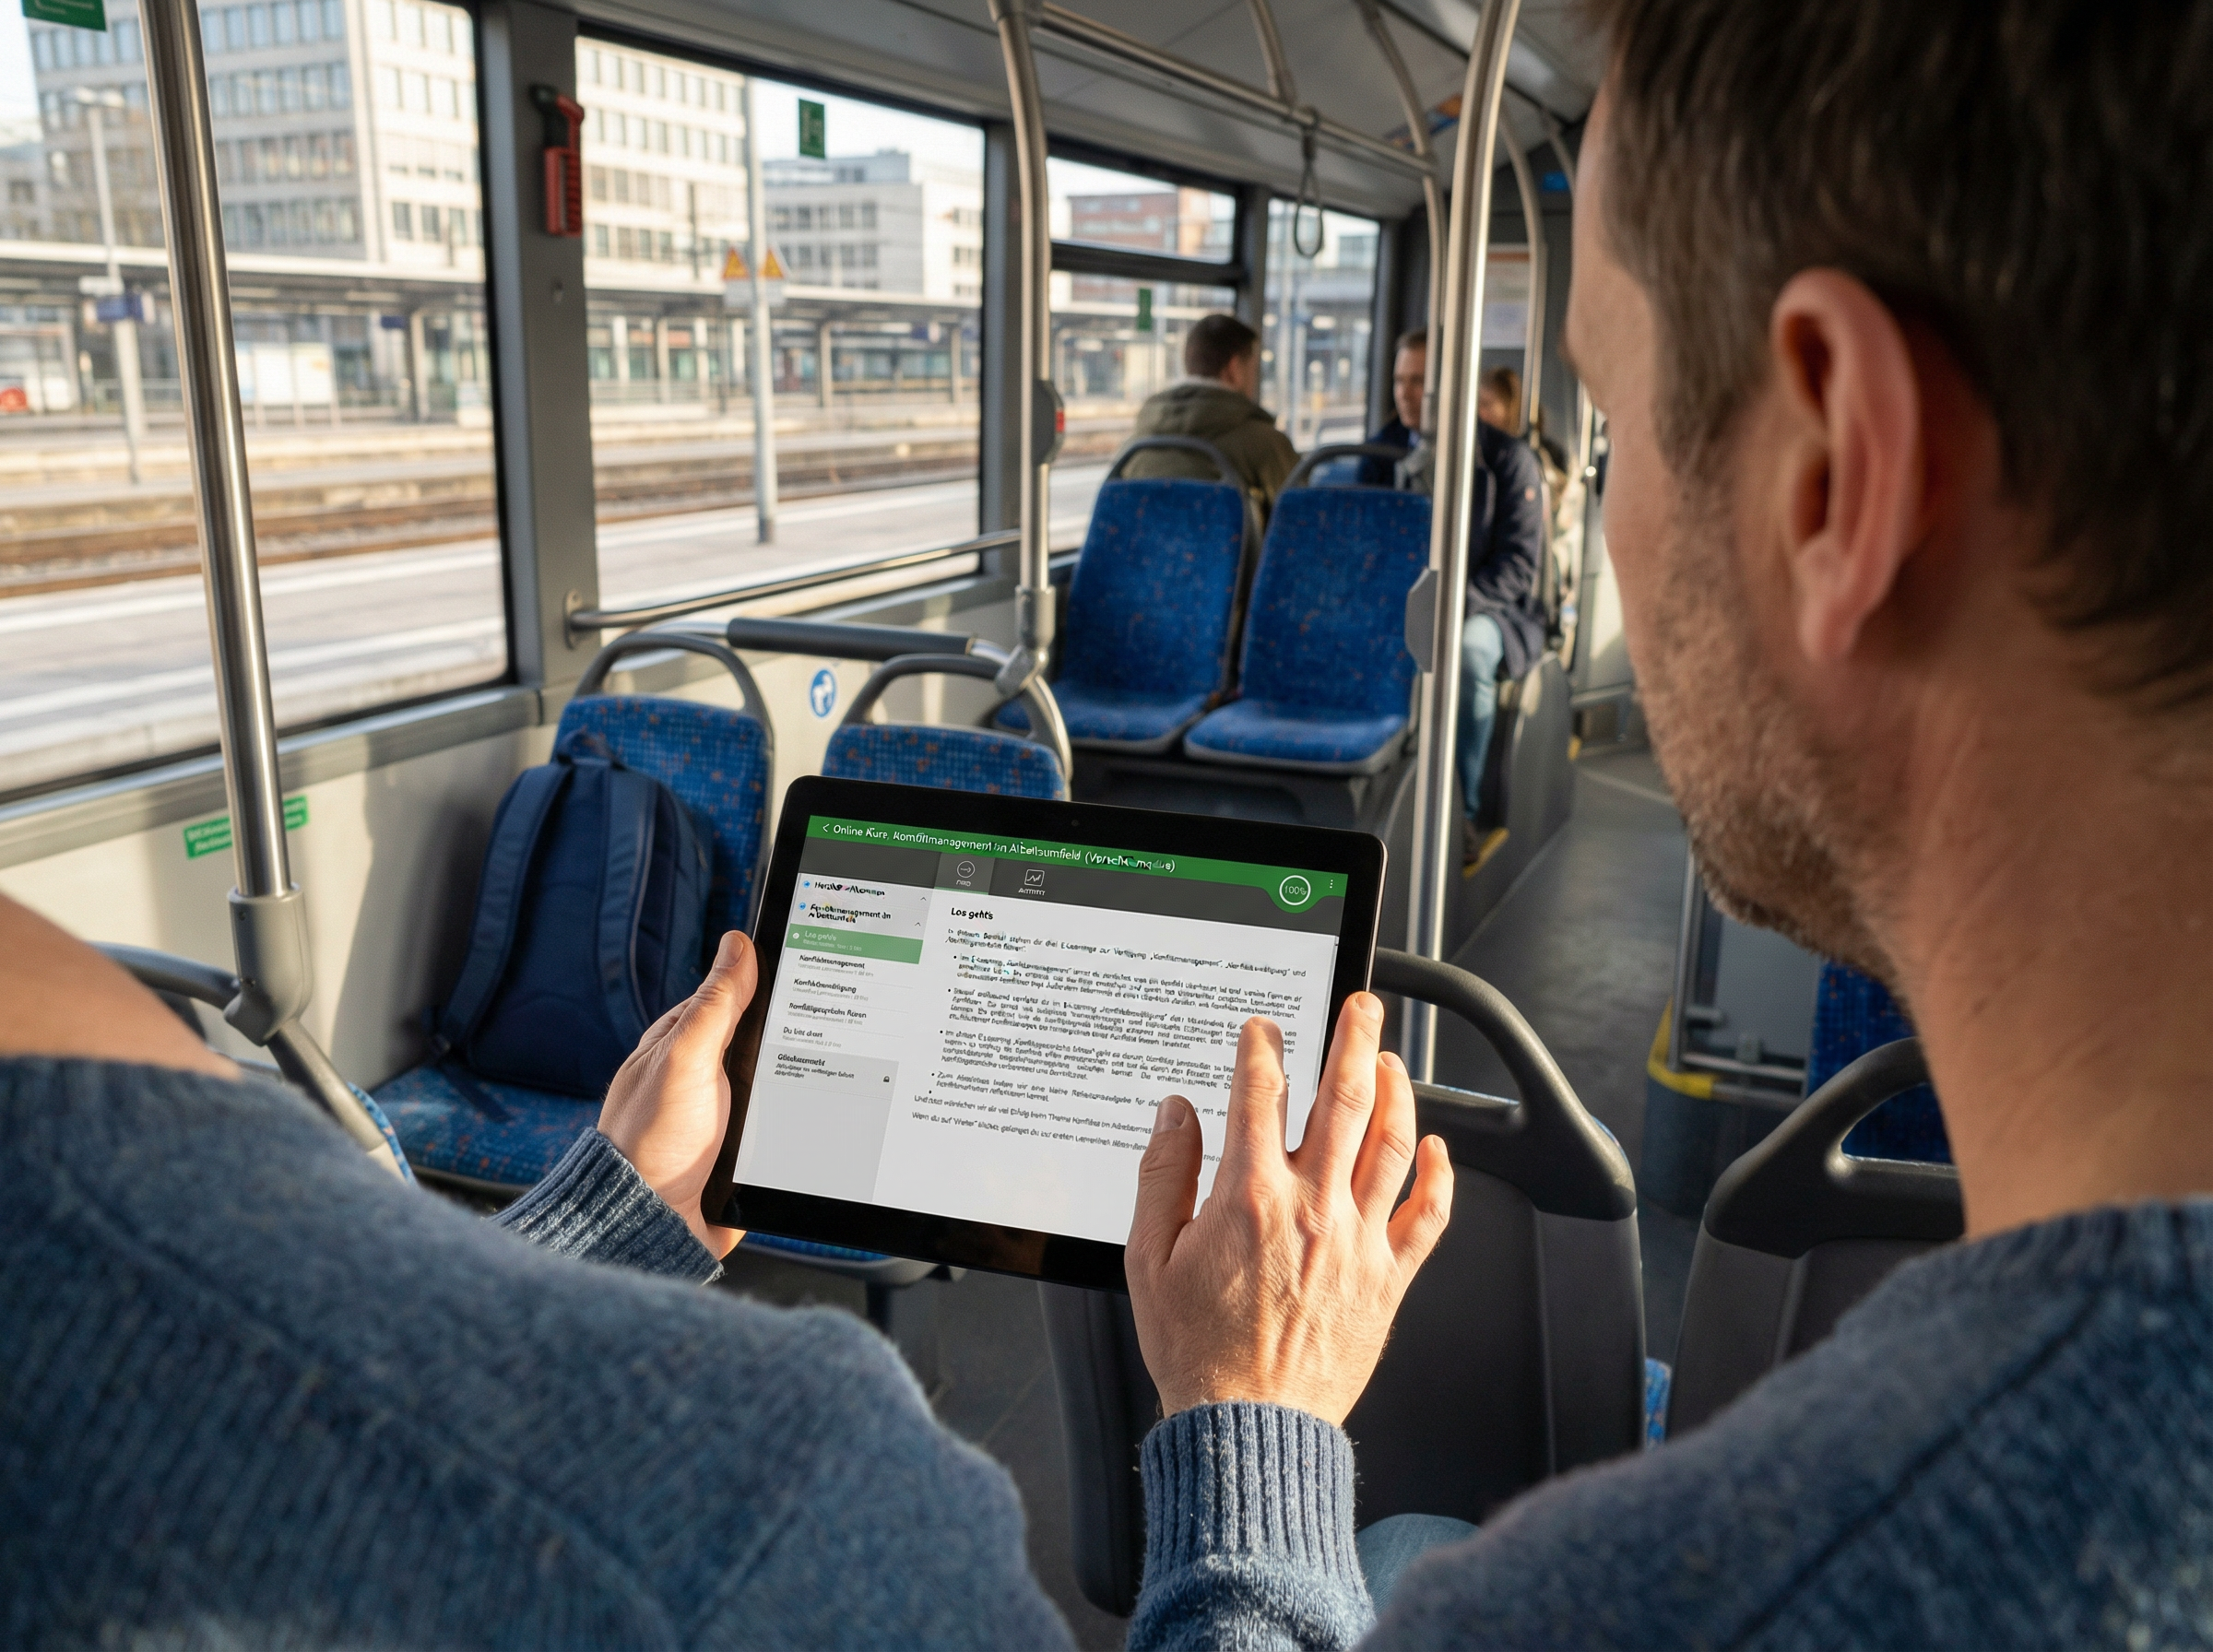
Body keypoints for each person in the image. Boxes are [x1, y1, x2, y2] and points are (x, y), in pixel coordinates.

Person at [1117, 0, 2213, 1646]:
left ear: (1834, 475)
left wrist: (1240, 1431)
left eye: (1613, 416)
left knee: (1404, 1536)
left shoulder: (1636, 1605)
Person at [1359, 330, 1547, 859]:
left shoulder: (1506, 459)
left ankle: (1457, 810)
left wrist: (1448, 605)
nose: (1406, 393)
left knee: (1466, 654)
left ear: (1451, 386)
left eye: (1420, 381)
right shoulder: (1379, 451)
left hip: (1485, 606)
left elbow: (1518, 565)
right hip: (1394, 601)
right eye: (1400, 380)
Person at [1121, 312, 1299, 512]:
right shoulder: (1266, 444)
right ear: (1234, 368)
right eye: (1253, 369)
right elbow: (1300, 523)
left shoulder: (1134, 446)